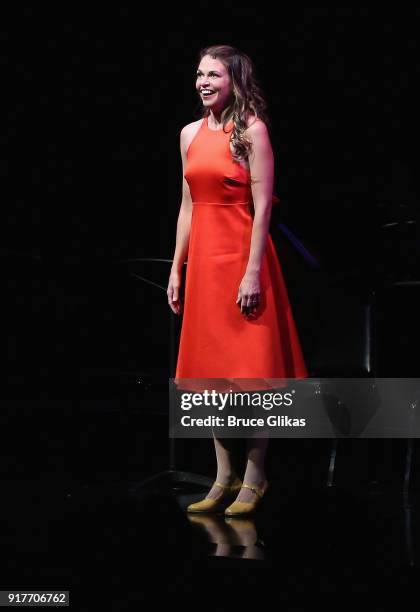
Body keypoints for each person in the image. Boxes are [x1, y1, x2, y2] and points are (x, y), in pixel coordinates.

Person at [167, 45, 308, 517]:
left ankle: (254, 476)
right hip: (204, 264)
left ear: (234, 81)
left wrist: (252, 272)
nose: (203, 82)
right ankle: (222, 476)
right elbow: (188, 206)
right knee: (211, 376)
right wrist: (176, 267)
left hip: (243, 259)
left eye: (214, 75)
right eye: (199, 73)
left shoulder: (251, 130)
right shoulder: (189, 134)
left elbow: (264, 207)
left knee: (250, 373)